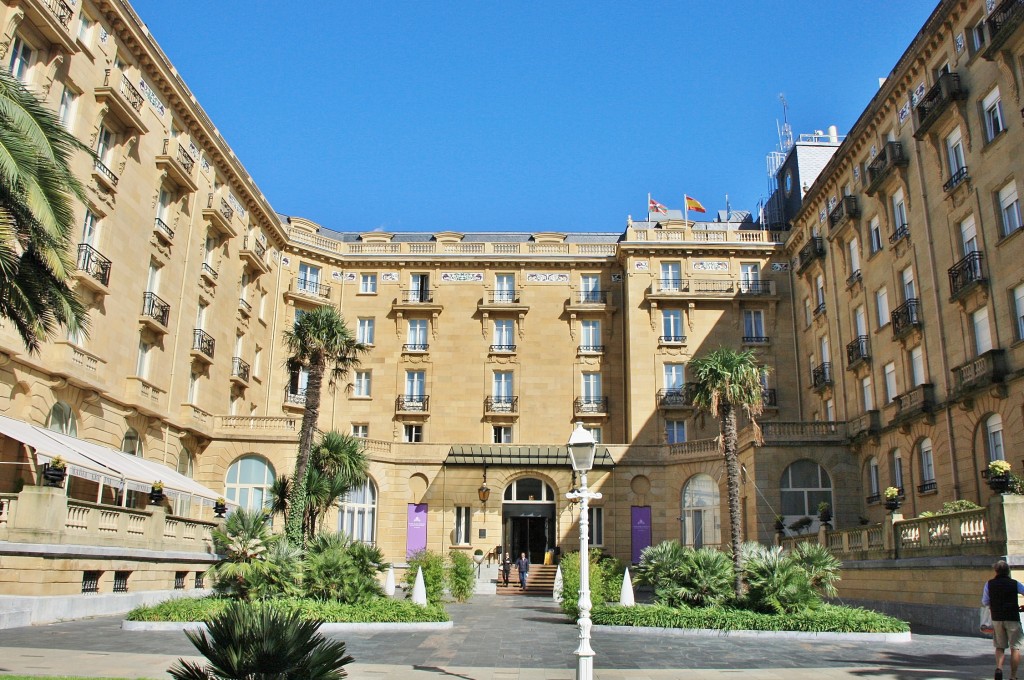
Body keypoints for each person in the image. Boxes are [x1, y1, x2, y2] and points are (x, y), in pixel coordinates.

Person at [983, 559, 1024, 680]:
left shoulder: (989, 584)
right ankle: (1013, 676)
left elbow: (985, 601)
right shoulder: (1014, 583)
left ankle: (999, 669)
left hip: (997, 618)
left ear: (996, 571)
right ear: (1008, 571)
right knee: (1015, 647)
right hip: (1012, 617)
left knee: (999, 646)